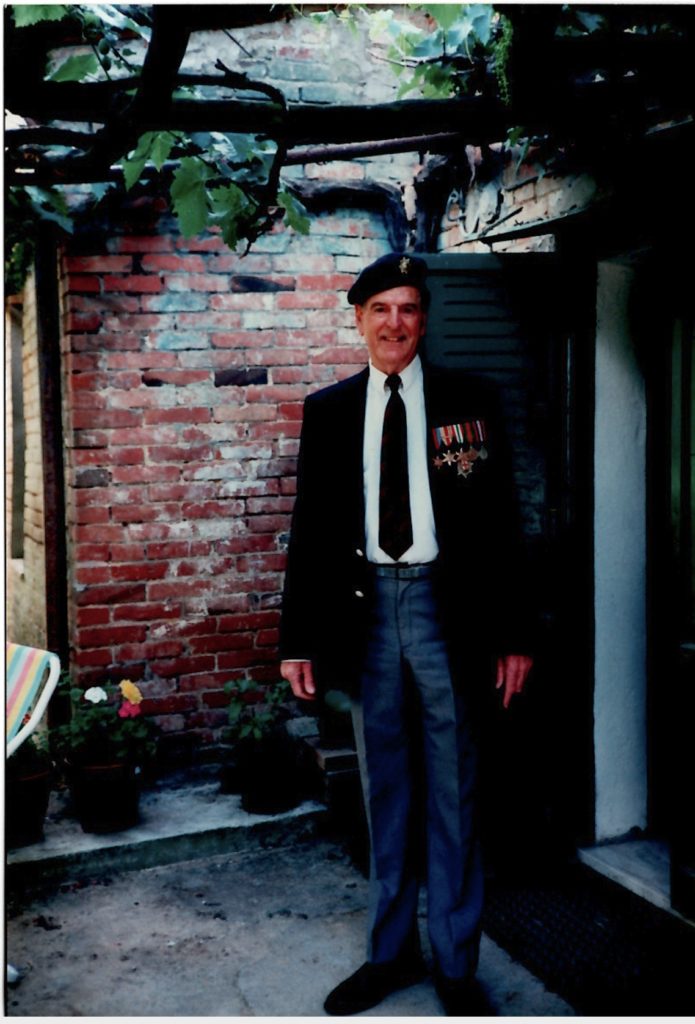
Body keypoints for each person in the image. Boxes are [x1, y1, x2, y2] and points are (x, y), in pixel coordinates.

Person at [280, 252, 534, 1016]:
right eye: (381, 309)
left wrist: (514, 633)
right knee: (381, 787)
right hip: (364, 613)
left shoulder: (470, 399)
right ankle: (388, 954)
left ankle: (456, 965)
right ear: (357, 319)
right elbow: (309, 533)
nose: (395, 323)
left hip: (443, 612)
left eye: (409, 308)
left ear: (424, 318)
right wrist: (298, 639)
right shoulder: (328, 411)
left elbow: (500, 526)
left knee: (455, 789)